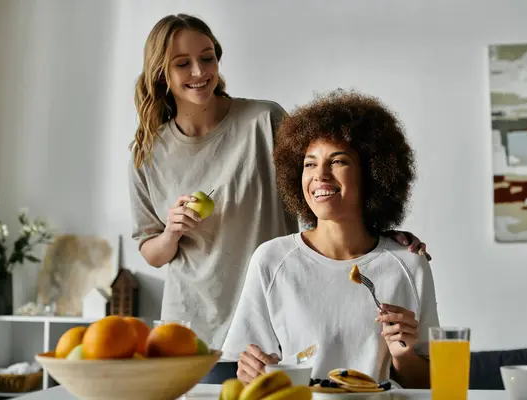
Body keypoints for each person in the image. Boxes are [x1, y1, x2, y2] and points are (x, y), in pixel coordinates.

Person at [128, 14, 430, 350]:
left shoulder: (264, 120)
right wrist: (171, 233)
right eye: (183, 63)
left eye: (207, 57)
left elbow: (326, 184)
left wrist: (379, 236)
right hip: (189, 328)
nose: (199, 72)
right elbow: (151, 253)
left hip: (272, 323)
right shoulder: (147, 153)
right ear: (160, 73)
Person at [221, 89, 440, 389]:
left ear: (372, 173)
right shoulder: (271, 260)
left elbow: (429, 387)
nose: (320, 175)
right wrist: (250, 370)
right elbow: (249, 367)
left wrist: (402, 356)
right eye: (309, 163)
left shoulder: (408, 264)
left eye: (338, 161)